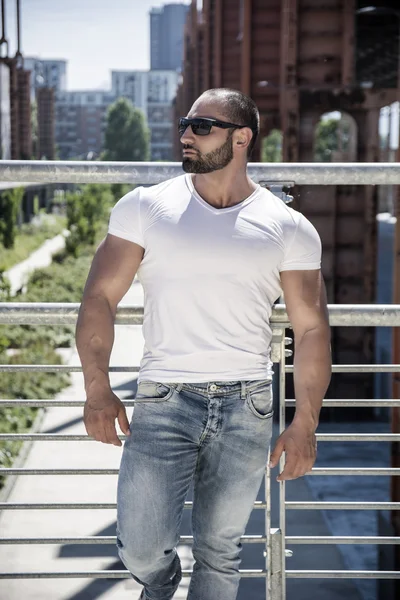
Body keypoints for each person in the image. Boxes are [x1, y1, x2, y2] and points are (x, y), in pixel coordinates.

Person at [76, 88, 331, 600]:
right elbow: (99, 297)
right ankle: (163, 584)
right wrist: (97, 387)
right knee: (143, 548)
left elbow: (311, 329)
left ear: (241, 138)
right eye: (184, 125)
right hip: (164, 398)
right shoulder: (146, 207)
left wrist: (305, 421)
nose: (186, 135)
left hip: (248, 404)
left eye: (201, 126)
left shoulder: (288, 227)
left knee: (220, 551)